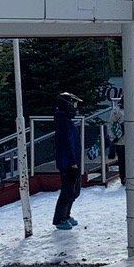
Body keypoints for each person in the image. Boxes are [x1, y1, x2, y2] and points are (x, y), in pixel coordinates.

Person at [50, 92, 83, 229]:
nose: (75, 108)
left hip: (72, 161)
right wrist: (72, 162)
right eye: (73, 104)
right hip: (67, 163)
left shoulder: (66, 121)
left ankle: (66, 215)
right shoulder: (62, 122)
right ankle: (59, 219)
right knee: (68, 191)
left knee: (74, 190)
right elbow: (66, 144)